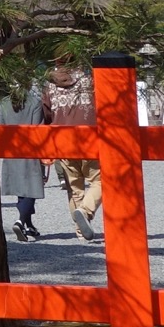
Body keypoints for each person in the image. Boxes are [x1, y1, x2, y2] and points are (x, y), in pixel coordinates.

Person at [45, 63, 101, 240]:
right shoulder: (90, 80)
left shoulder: (49, 85)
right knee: (101, 180)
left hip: (63, 141)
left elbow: (46, 115)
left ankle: (80, 232)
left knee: (75, 188)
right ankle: (85, 211)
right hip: (89, 138)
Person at [0, 83, 48, 242]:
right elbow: (36, 131)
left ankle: (29, 225)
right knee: (31, 189)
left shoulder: (4, 103)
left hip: (12, 151)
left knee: (21, 188)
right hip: (30, 151)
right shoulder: (34, 103)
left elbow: (0, 128)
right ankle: (20, 221)